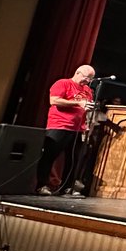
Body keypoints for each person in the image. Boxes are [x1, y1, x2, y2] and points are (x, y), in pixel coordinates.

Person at [36, 64, 95, 195]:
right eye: (86, 78)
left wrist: (87, 121)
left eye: (90, 79)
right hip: (59, 126)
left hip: (78, 129)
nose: (87, 81)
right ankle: (42, 185)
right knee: (49, 156)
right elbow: (54, 101)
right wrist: (78, 103)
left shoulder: (88, 91)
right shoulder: (63, 83)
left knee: (74, 159)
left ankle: (67, 187)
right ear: (77, 73)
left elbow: (85, 108)